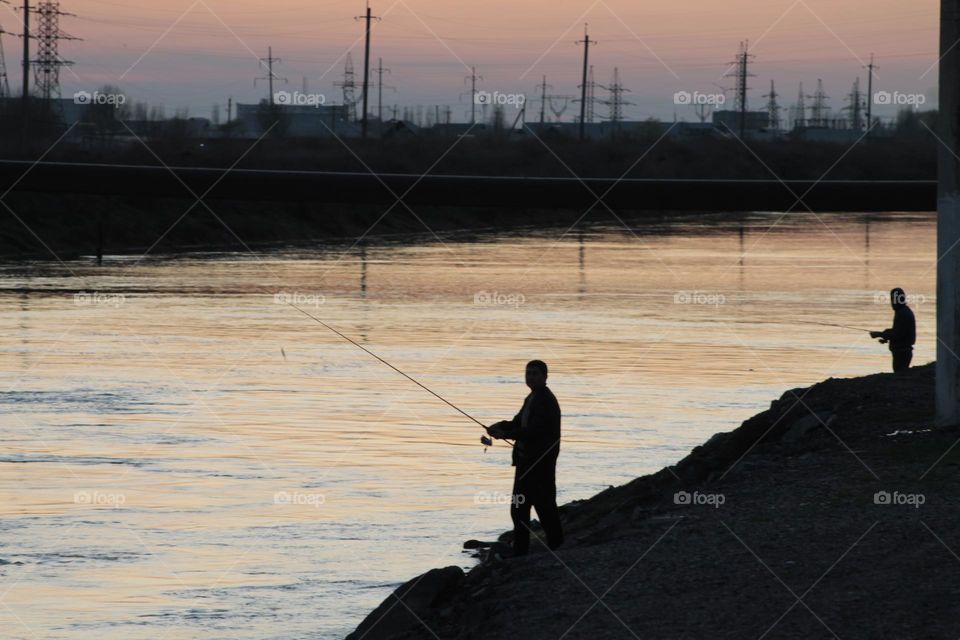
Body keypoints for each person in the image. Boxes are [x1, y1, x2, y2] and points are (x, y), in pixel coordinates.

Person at [486, 360, 564, 557]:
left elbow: (534, 431)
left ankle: (555, 546)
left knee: (542, 507)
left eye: (535, 374)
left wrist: (506, 434)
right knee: (521, 509)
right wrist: (500, 426)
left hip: (539, 464)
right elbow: (518, 422)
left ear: (545, 377)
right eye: (528, 373)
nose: (530, 377)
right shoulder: (532, 398)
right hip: (526, 462)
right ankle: (523, 550)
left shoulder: (545, 400)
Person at [870, 287, 916, 373]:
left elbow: (897, 334)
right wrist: (886, 336)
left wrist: (879, 334)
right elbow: (898, 331)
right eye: (891, 299)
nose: (891, 302)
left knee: (899, 374)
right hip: (901, 351)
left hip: (902, 352)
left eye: (893, 299)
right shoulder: (902, 311)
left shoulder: (903, 313)